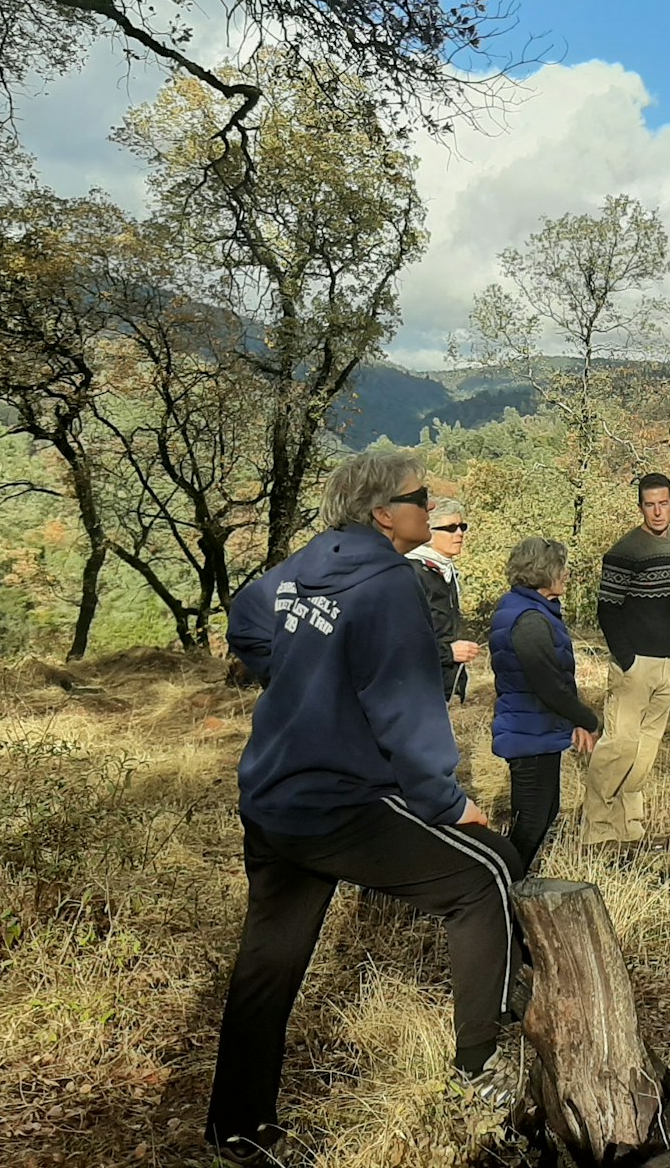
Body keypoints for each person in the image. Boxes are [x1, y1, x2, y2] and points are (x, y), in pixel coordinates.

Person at [206, 452, 524, 1164]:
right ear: (384, 513)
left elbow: (248, 618)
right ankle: (478, 1076)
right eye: (421, 497)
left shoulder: (305, 564)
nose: (431, 505)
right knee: (485, 877)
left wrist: (296, 680)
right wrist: (448, 802)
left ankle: (236, 1125)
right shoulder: (389, 584)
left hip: (270, 798)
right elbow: (407, 706)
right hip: (337, 803)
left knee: (269, 962)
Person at [580, 473, 670, 848]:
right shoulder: (624, 551)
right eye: (649, 504)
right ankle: (597, 829)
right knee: (619, 746)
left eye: (663, 503)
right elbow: (607, 608)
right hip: (635, 664)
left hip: (666, 663)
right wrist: (626, 658)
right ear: (640, 507)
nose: (657, 511)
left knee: (646, 751)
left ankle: (630, 827)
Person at [487, 539, 599, 874]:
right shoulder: (530, 621)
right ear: (542, 573)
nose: (566, 573)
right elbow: (548, 684)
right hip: (528, 734)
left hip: (537, 730)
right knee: (531, 821)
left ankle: (509, 886)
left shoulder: (530, 611)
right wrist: (587, 718)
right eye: (560, 567)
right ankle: (496, 890)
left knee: (544, 813)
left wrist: (572, 720)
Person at [407, 497, 480, 701]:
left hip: (443, 689)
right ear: (428, 532)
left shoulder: (444, 571)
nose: (459, 534)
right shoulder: (410, 573)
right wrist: (448, 653)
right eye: (450, 528)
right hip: (419, 693)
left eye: (462, 526)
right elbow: (401, 641)